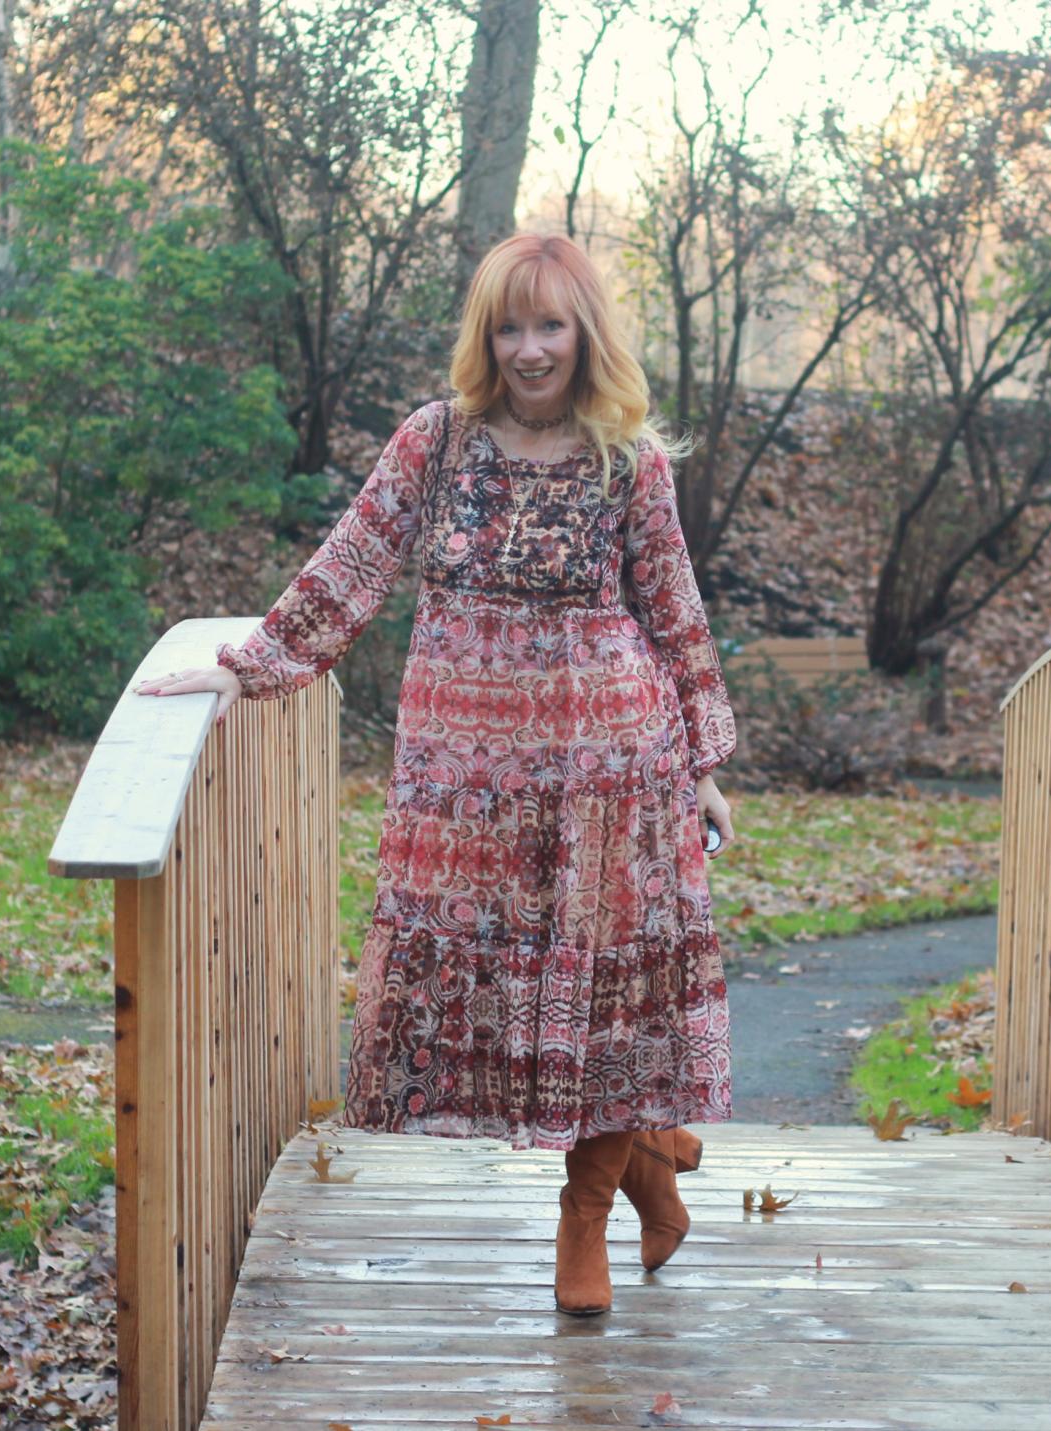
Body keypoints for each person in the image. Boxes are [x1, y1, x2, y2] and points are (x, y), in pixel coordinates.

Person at [134, 232, 736, 1317]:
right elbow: (356, 560)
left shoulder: (628, 459)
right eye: (509, 326)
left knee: (596, 1006)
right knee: (508, 1009)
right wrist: (249, 669)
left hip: (613, 772)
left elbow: (674, 611)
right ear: (485, 335)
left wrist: (700, 767)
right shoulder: (439, 442)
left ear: (585, 332)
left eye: (550, 325)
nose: (529, 349)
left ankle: (583, 1218)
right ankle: (649, 1170)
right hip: (465, 788)